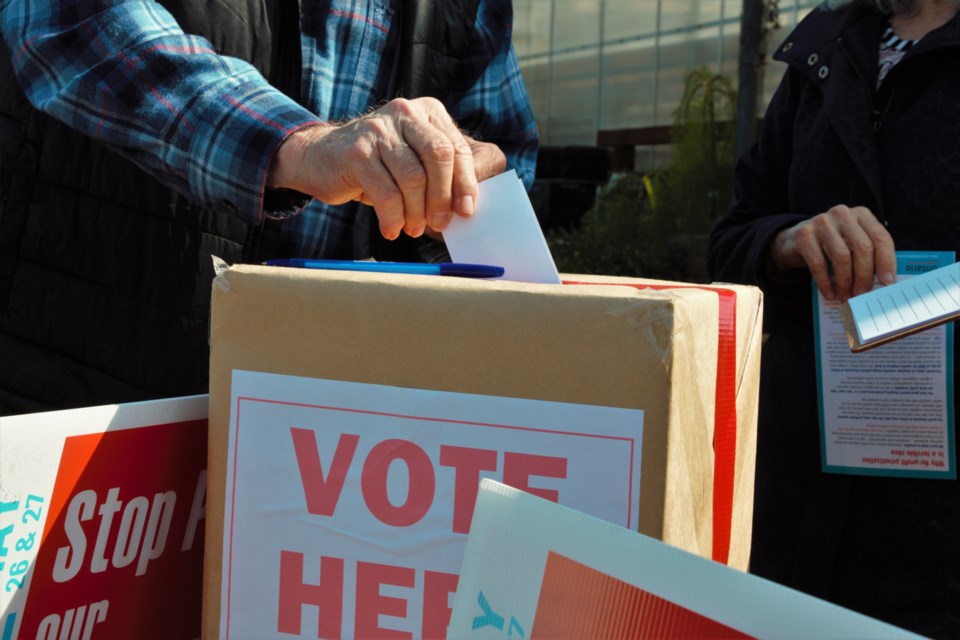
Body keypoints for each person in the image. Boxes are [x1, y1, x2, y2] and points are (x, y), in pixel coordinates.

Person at [0, 1, 538, 416]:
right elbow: (80, 29)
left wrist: (453, 180)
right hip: (82, 396)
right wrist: (299, 147)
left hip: (322, 436)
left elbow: (501, 147)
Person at [708, 0, 960, 636]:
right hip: (802, 503)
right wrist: (788, 242)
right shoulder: (825, 52)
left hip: (939, 525)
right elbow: (730, 243)